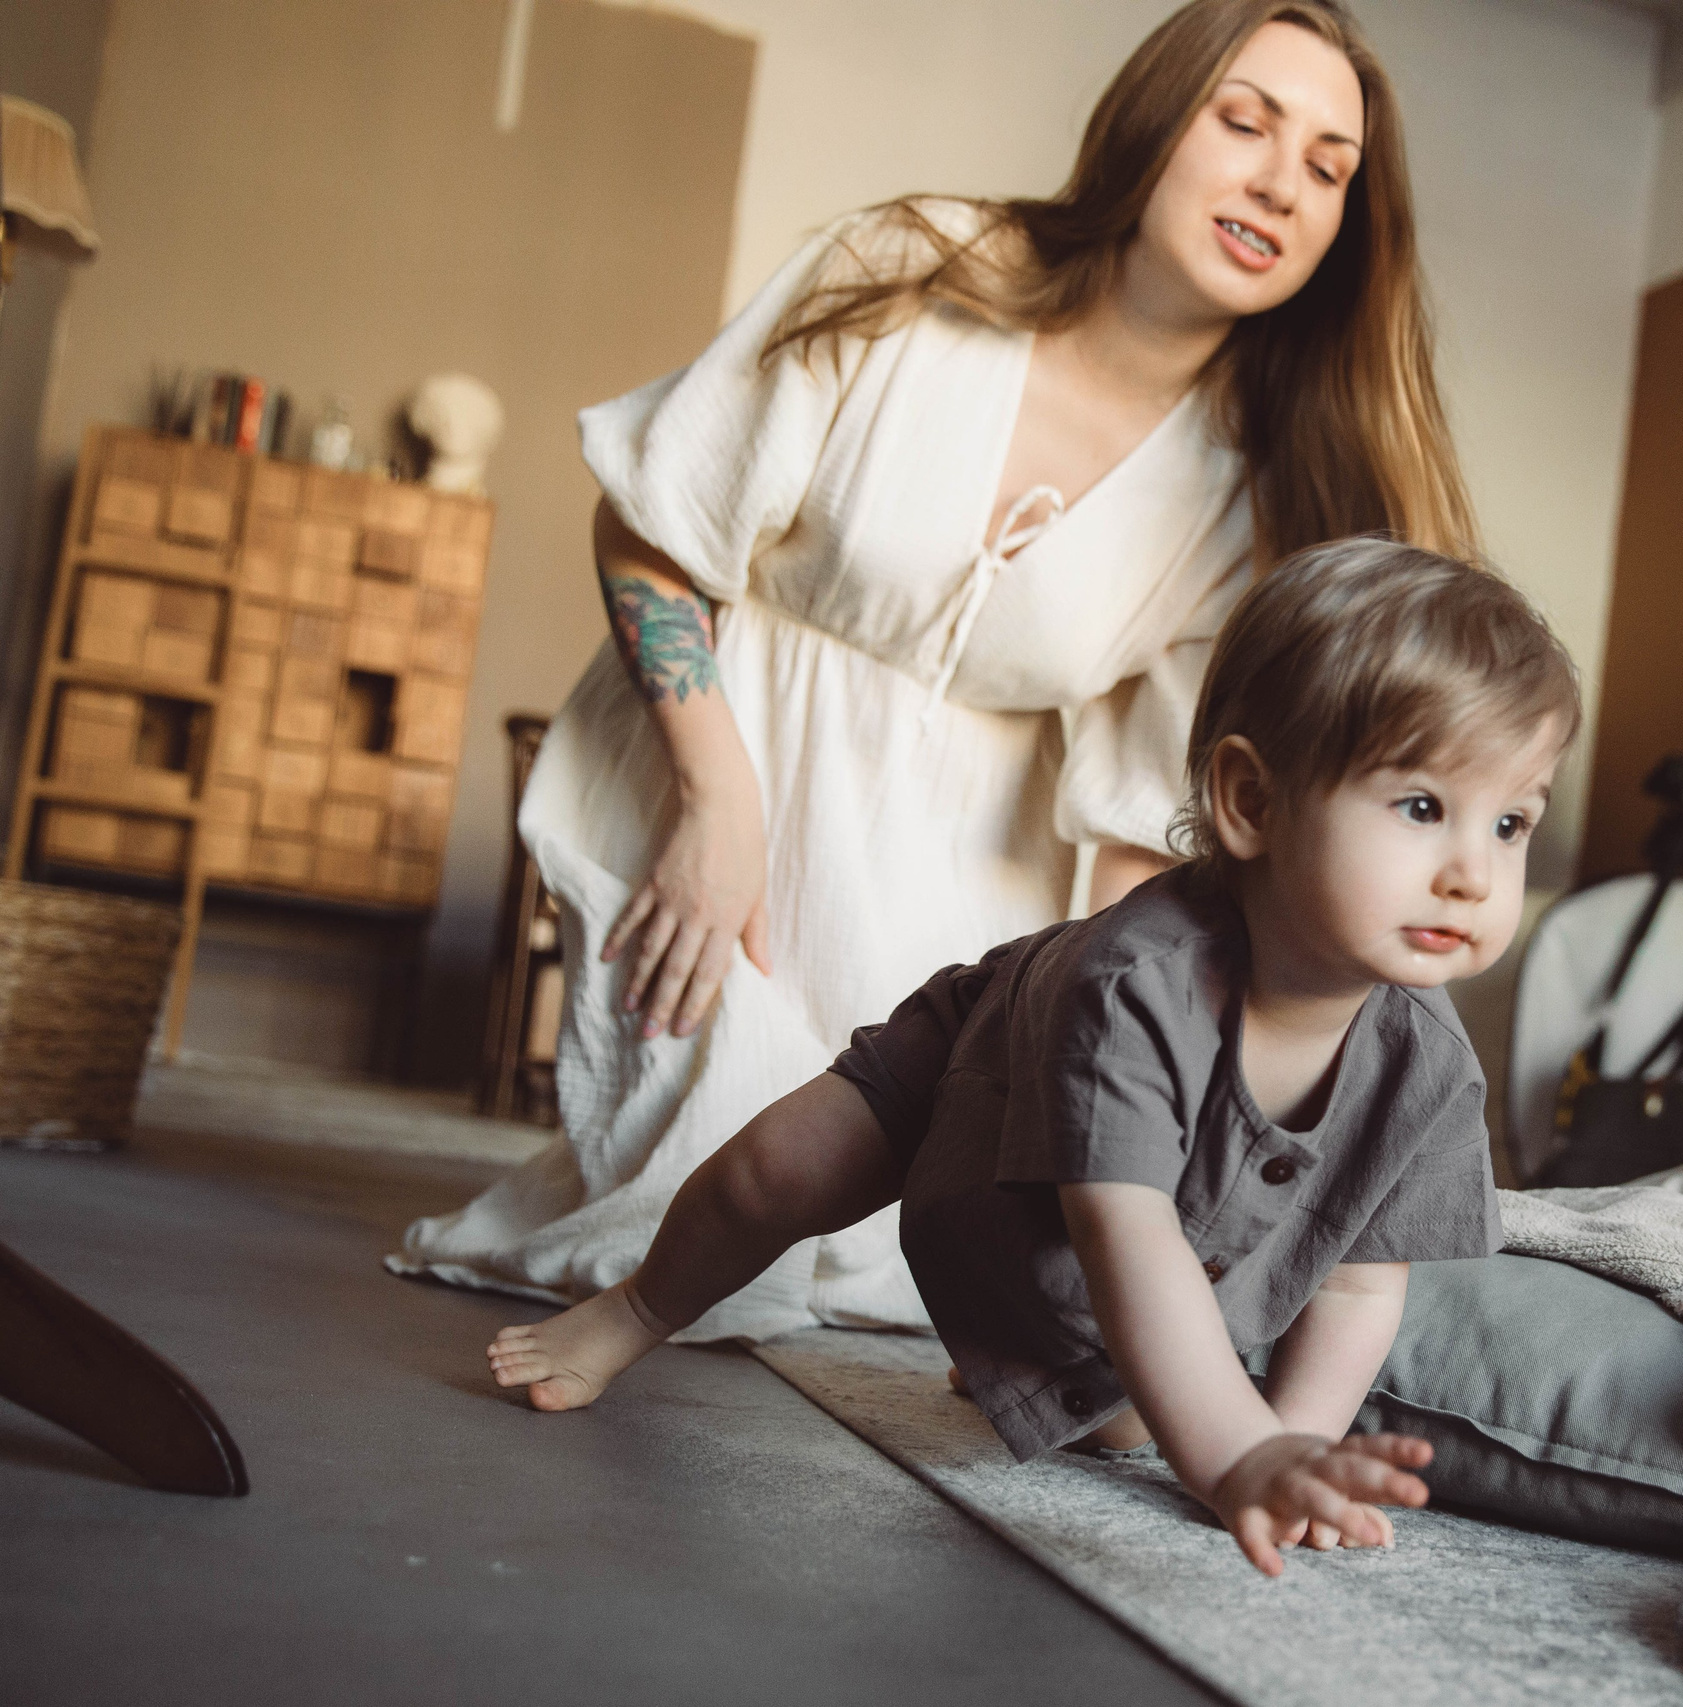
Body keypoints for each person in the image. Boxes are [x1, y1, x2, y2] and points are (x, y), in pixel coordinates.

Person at [392, 0, 1476, 1338]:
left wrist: (1124, 1052)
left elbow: (1137, 820)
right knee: (715, 1218)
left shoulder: (1251, 488)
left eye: (1327, 165)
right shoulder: (914, 266)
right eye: (1244, 122)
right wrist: (717, 804)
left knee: (921, 1257)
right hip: (717, 749)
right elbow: (651, 525)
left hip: (965, 856)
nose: (1279, 183)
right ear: (1152, 122)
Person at [486, 541, 1580, 1575]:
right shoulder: (1138, 985)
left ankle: (1006, 1354)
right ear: (1251, 802)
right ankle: (633, 1311)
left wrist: (1288, 1452)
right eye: (1423, 807)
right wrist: (1234, 1452)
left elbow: (1356, 1283)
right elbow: (1125, 1233)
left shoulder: (1429, 1067)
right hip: (983, 1062)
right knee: (776, 1170)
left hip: (1094, 1258)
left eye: (1510, 824)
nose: (1474, 875)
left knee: (1119, 1413)